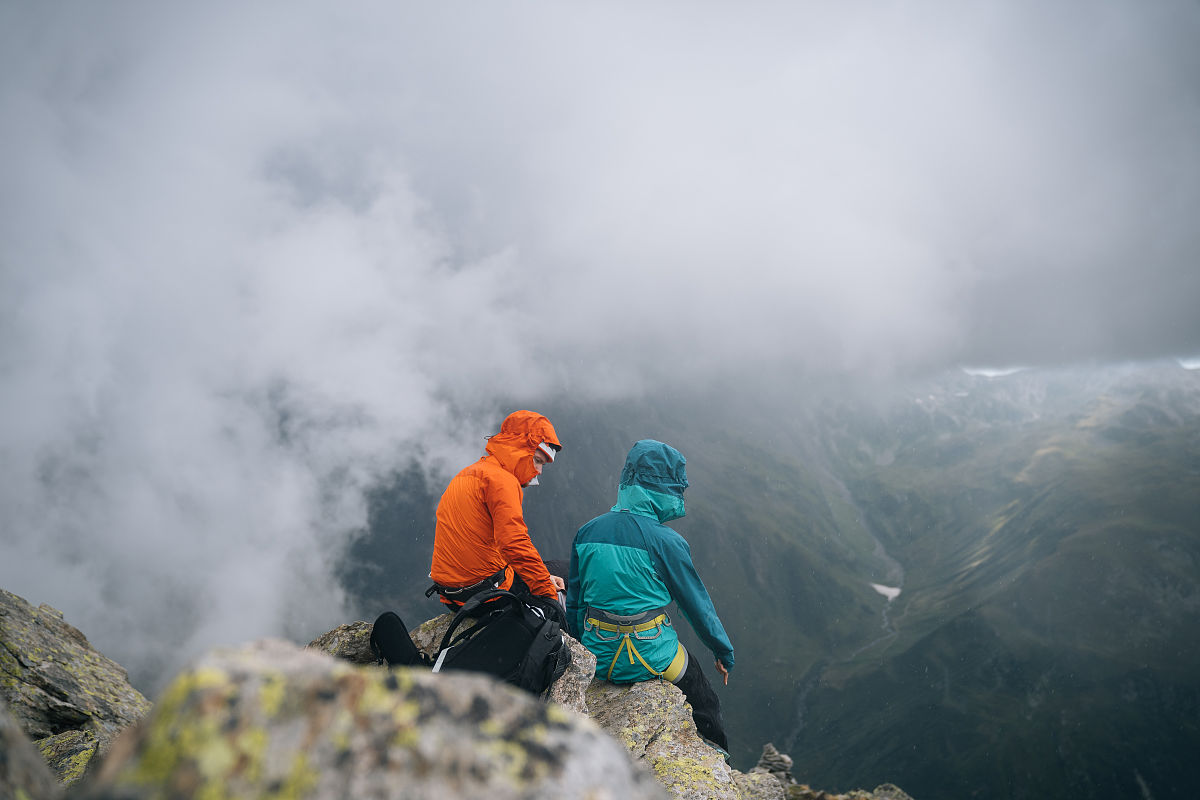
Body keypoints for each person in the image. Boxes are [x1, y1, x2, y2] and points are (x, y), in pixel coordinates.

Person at [566, 439, 734, 754]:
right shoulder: (666, 542)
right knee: (703, 696)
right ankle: (716, 758)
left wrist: (582, 653)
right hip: (651, 654)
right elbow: (696, 606)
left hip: (599, 656)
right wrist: (723, 652)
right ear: (664, 490)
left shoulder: (587, 532)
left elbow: (575, 602)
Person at [428, 410, 566, 619]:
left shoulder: (468, 473)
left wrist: (544, 575)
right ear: (520, 451)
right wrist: (546, 589)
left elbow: (484, 546)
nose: (539, 471)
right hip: (487, 596)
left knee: (547, 571)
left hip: (453, 595)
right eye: (537, 460)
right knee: (570, 571)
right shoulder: (502, 481)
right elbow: (513, 543)